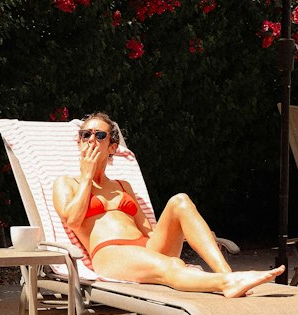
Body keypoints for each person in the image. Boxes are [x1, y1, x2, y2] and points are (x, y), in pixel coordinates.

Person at [53, 112, 284, 298]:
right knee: (172, 265)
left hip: (145, 248)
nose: (91, 140)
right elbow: (72, 220)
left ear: (112, 147)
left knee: (180, 200)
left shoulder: (123, 186)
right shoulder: (67, 183)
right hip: (110, 253)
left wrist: (188, 233)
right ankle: (226, 283)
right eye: (86, 135)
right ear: (80, 142)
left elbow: (149, 232)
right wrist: (86, 176)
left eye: (99, 135)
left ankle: (228, 274)